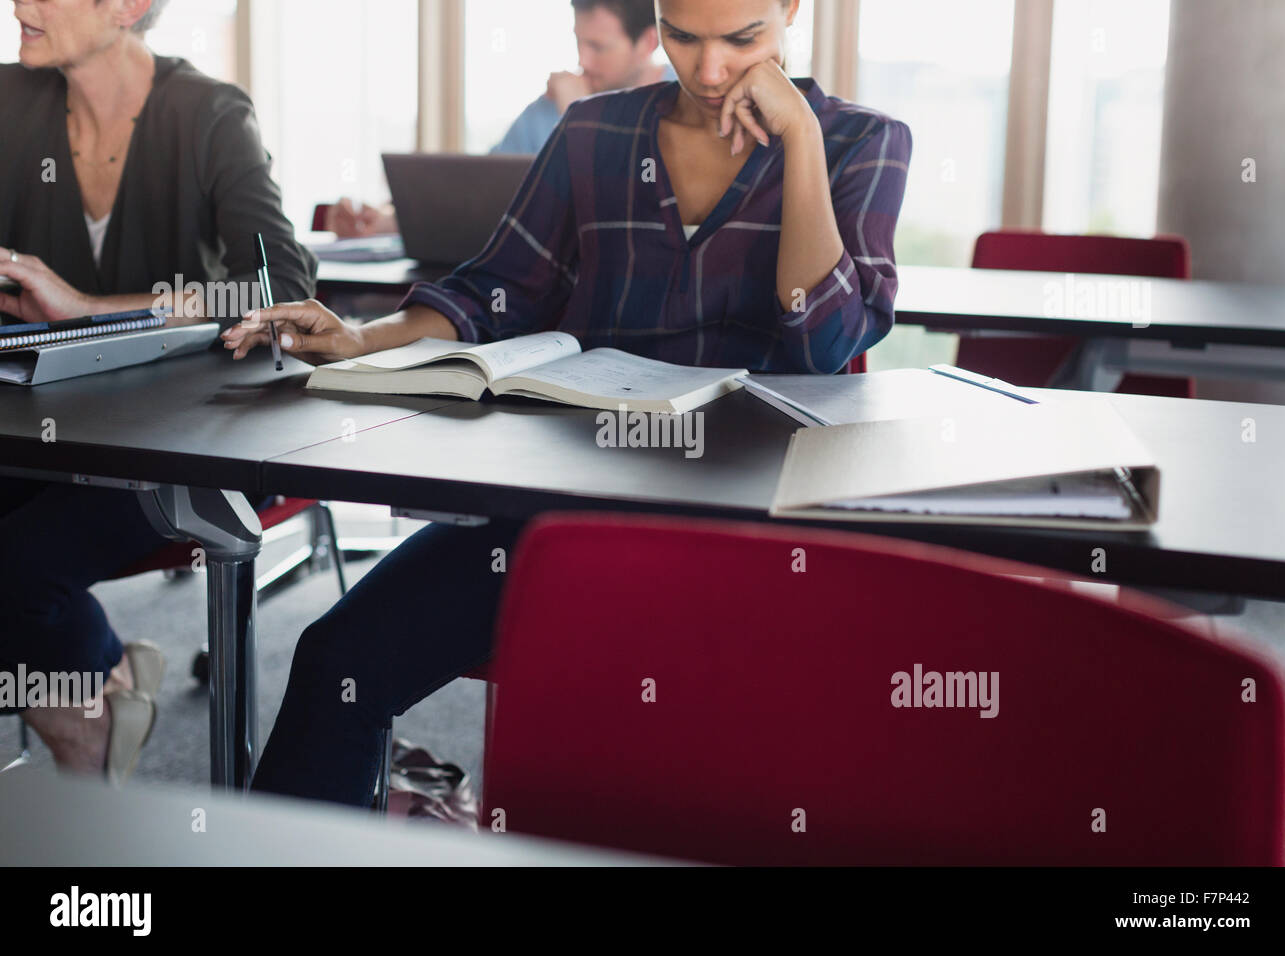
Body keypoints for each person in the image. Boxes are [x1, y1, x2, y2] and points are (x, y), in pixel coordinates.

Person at [228, 0, 911, 808]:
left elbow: (824, 335)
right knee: (337, 658)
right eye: (686, 39)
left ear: (791, 10)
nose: (713, 70)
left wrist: (800, 140)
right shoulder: (593, 132)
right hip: (562, 513)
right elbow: (495, 288)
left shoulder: (863, 141)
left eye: (744, 39)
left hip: (744, 535)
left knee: (660, 743)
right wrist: (360, 339)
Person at [0, 0, 315, 782]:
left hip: (177, 441)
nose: (18, 4)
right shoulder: (12, 102)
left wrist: (90, 310)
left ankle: (89, 730)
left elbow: (283, 289)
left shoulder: (207, 113)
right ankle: (106, 674)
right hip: (39, 423)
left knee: (17, 563)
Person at [325, 0, 673, 238]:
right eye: (579, 42)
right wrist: (386, 221)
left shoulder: (682, 103)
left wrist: (577, 115)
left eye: (598, 47)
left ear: (647, 42)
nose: (583, 59)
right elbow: (479, 199)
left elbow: (631, 212)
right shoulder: (544, 111)